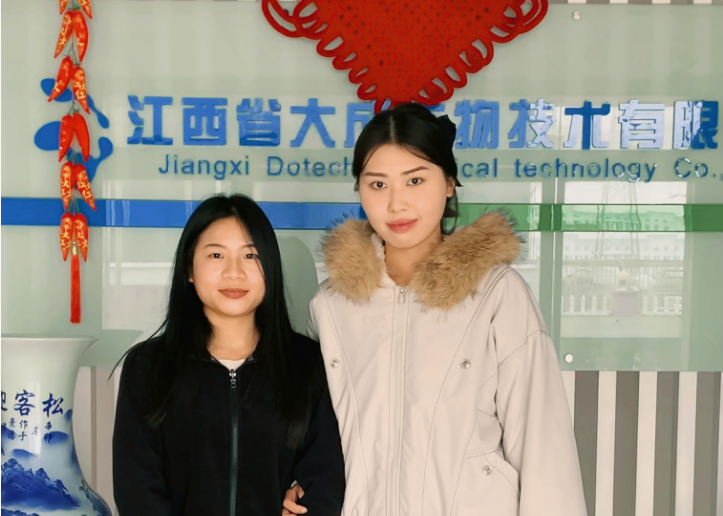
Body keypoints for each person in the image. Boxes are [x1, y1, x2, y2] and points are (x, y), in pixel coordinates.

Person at [283, 103, 587, 516]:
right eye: (378, 185)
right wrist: (299, 483)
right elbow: (316, 438)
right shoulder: (333, 306)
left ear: (448, 183)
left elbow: (543, 446)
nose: (396, 204)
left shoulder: (496, 294)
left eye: (415, 180)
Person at [113, 194, 345, 516]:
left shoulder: (306, 364)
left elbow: (326, 477)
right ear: (189, 269)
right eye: (216, 255)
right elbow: (137, 492)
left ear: (270, 268)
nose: (234, 272)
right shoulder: (149, 368)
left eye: (250, 255)